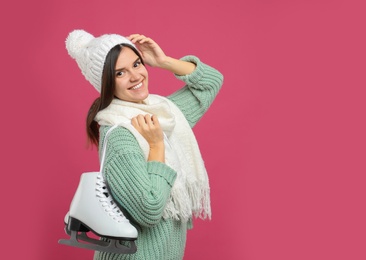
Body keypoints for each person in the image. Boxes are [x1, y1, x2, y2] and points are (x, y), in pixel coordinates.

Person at [65, 30, 223, 260]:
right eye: (120, 73)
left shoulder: (164, 113)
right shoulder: (121, 135)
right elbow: (149, 210)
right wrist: (156, 145)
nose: (135, 76)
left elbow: (211, 82)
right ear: (107, 84)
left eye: (137, 64)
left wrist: (164, 61)